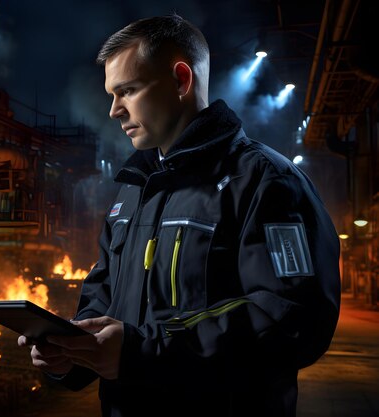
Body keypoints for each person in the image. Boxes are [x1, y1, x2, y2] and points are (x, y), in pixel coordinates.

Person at [18, 13, 341, 417]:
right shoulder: (133, 191)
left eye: (128, 91)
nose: (114, 110)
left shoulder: (266, 182)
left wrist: (141, 350)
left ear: (181, 80)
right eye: (111, 95)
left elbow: (294, 317)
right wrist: (71, 353)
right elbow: (102, 299)